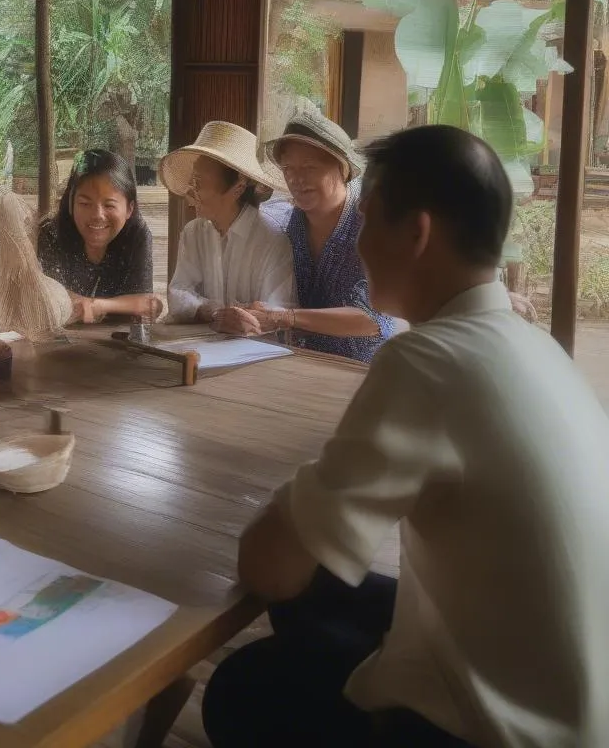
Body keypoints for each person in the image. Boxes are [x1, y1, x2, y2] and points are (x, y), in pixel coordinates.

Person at [203, 125, 609, 748]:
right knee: (311, 596)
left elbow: (266, 564)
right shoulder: (539, 348)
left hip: (497, 731)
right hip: (574, 699)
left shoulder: (426, 359)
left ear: (416, 233)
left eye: (366, 221)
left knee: (241, 688)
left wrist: (297, 501)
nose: (359, 243)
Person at [254, 111, 394, 361]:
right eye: (288, 168)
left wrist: (284, 317)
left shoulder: (371, 224)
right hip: (300, 363)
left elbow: (371, 319)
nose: (296, 179)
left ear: (341, 168)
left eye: (309, 167)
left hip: (361, 370)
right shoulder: (291, 223)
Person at [161, 121, 293, 335]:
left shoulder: (272, 240)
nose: (190, 193)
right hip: (200, 349)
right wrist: (212, 311)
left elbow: (279, 311)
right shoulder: (193, 232)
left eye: (198, 183)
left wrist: (253, 318)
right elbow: (178, 293)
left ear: (238, 187)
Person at [37, 149, 160, 323]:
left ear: (129, 209)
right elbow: (49, 299)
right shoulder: (50, 234)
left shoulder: (137, 235)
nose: (97, 215)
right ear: (71, 204)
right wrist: (121, 305)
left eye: (109, 205)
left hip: (119, 342)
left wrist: (96, 306)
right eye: (85, 203)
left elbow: (146, 304)